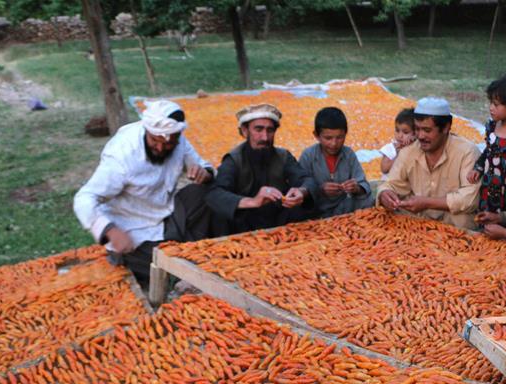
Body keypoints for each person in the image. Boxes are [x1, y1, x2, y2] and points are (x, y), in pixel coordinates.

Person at [73, 100, 218, 286]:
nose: (160, 148)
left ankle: (191, 247)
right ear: (147, 131)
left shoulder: (176, 140)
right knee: (165, 267)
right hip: (132, 228)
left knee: (207, 193)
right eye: (154, 141)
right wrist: (110, 230)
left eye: (168, 144)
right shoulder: (122, 156)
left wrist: (204, 173)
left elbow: (202, 164)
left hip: (165, 213)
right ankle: (141, 259)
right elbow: (85, 198)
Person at [205, 103, 315, 234]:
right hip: (244, 223)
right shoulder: (234, 160)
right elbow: (215, 193)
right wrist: (253, 201)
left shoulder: (283, 156)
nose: (265, 137)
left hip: (278, 220)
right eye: (258, 129)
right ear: (245, 131)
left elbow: (307, 180)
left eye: (270, 130)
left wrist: (302, 192)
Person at [376, 97, 480, 230]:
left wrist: (427, 203)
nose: (420, 136)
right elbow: (391, 183)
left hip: (451, 219)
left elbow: (470, 199)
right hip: (418, 217)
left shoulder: (467, 152)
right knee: (386, 218)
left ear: (446, 128)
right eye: (417, 129)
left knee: (463, 219)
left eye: (427, 130)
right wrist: (385, 194)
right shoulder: (409, 150)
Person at [467, 75, 506, 215]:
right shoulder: (491, 126)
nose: (491, 108)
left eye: (496, 105)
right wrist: (478, 167)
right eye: (491, 102)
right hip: (489, 186)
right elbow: (488, 151)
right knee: (487, 217)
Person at [299, 107, 372, 218]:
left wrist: (356, 187)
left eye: (340, 137)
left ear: (345, 134)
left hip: (344, 208)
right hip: (317, 211)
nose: (334, 143)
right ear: (317, 136)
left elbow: (363, 184)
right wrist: (320, 190)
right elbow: (301, 189)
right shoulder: (308, 156)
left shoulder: (348, 154)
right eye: (328, 138)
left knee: (368, 199)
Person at [379, 108, 416, 176]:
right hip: (390, 185)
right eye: (397, 130)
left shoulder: (417, 148)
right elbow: (384, 169)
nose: (400, 135)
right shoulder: (391, 148)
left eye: (405, 132)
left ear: (415, 133)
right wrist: (399, 154)